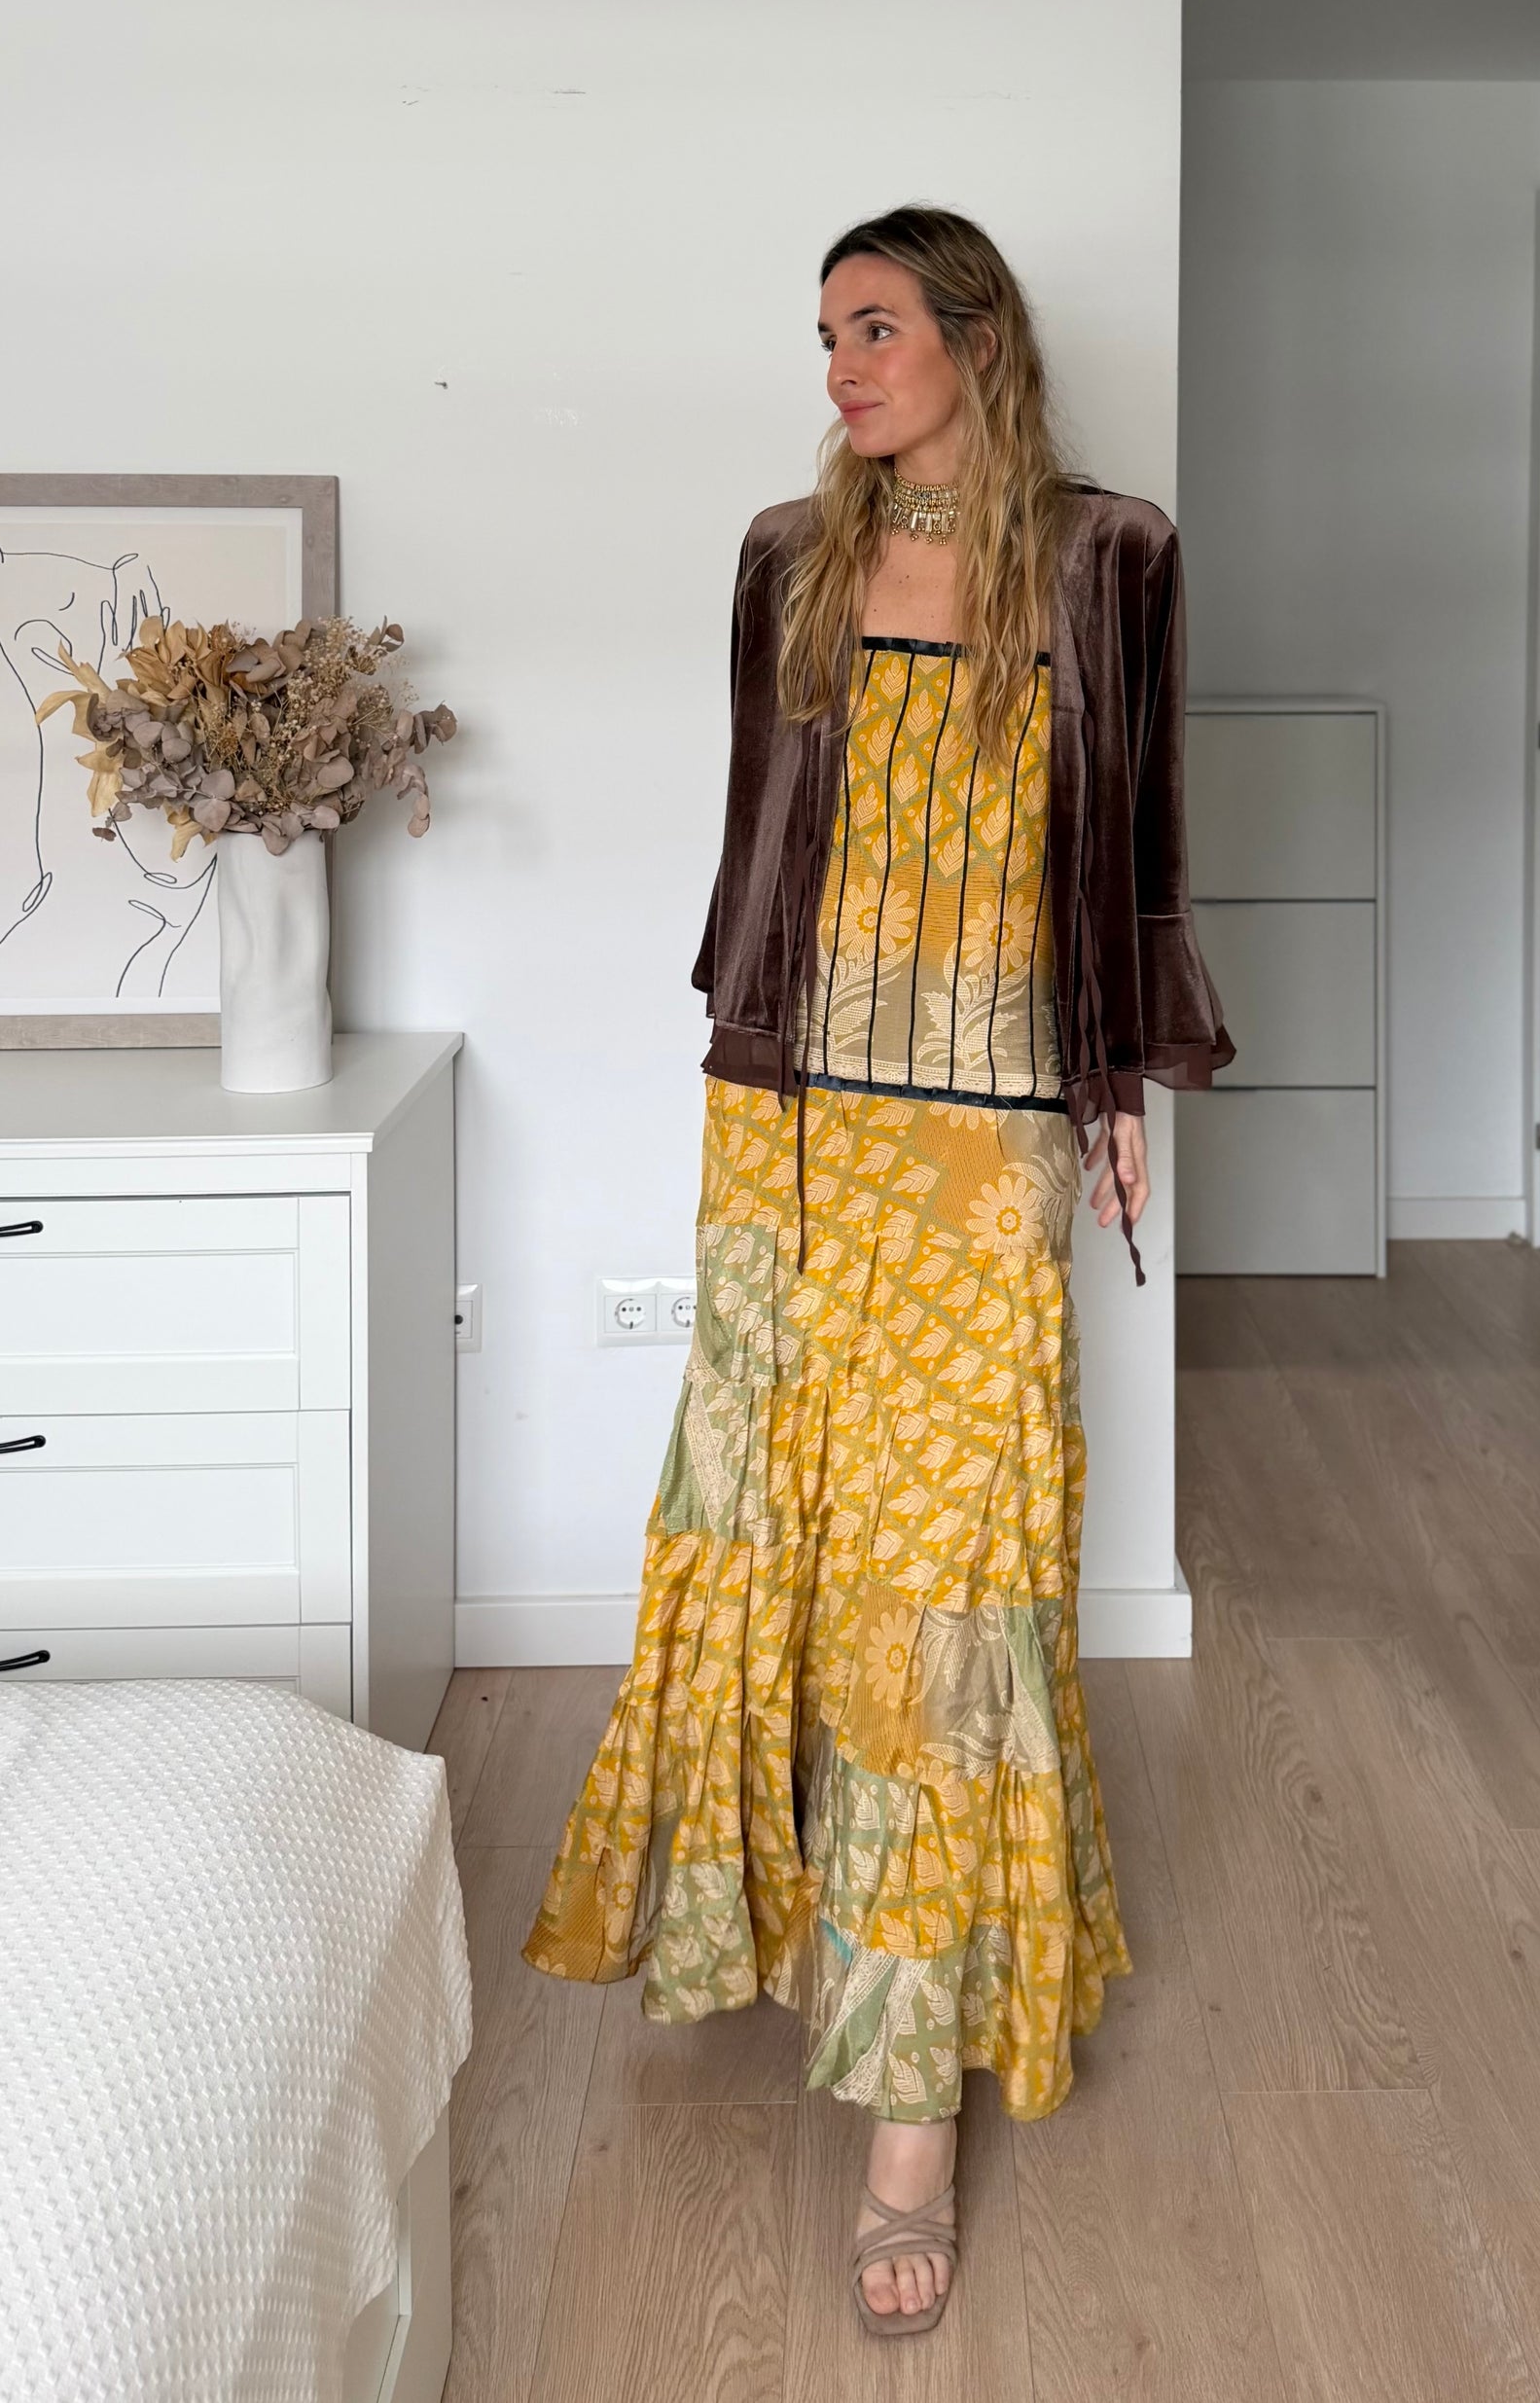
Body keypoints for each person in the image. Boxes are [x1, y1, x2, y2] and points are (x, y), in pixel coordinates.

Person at [523, 202, 1232, 2335]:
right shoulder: (784, 557)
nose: (839, 365)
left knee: (944, 1579)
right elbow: (760, 832)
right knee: (767, 1529)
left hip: (982, 1129)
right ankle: (761, 1933)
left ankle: (911, 2107)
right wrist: (749, 1058)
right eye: (824, 333)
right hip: (789, 1116)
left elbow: (1131, 845)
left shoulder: (1109, 556)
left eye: (876, 326)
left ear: (976, 341)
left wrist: (1116, 1077)